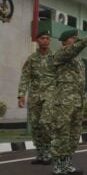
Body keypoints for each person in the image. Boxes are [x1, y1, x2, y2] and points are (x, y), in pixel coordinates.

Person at [51, 30, 87, 175]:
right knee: (62, 133)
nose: (76, 40)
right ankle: (58, 166)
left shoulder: (77, 59)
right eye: (73, 38)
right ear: (64, 41)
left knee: (74, 134)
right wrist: (85, 40)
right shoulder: (61, 54)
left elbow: (76, 50)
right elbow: (73, 50)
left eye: (77, 38)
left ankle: (67, 162)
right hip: (64, 101)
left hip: (77, 101)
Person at [18, 31, 55, 165]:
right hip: (34, 96)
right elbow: (25, 77)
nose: (45, 40)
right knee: (36, 125)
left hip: (50, 95)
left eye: (47, 38)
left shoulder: (55, 57)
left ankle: (48, 151)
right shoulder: (32, 58)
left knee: (46, 122)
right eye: (42, 38)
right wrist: (21, 94)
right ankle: (40, 153)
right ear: (38, 41)